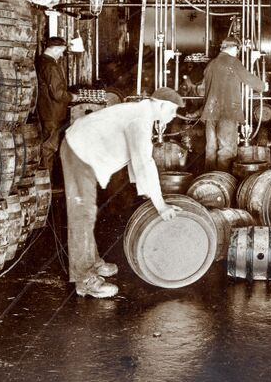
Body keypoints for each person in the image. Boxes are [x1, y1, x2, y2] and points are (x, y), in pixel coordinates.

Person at [59, 87, 183, 298]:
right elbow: (143, 162)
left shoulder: (141, 112)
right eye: (172, 111)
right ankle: (84, 279)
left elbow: (136, 159)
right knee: (82, 214)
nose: (173, 116)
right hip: (78, 151)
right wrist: (160, 205)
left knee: (87, 212)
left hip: (83, 148)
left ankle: (91, 262)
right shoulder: (140, 120)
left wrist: (149, 194)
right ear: (161, 105)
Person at [201, 38, 267, 171]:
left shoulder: (211, 64)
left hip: (210, 112)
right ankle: (224, 181)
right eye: (237, 49)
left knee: (211, 149)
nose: (237, 52)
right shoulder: (232, 62)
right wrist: (263, 86)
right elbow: (248, 78)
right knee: (227, 151)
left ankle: (209, 179)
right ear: (233, 48)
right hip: (227, 112)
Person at [35, 36, 72, 168]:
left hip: (45, 110)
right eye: (61, 51)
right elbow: (58, 94)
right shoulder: (51, 66)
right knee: (49, 148)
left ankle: (47, 176)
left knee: (47, 145)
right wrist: (73, 97)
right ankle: (47, 178)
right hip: (53, 113)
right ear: (55, 49)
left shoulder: (40, 61)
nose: (61, 55)